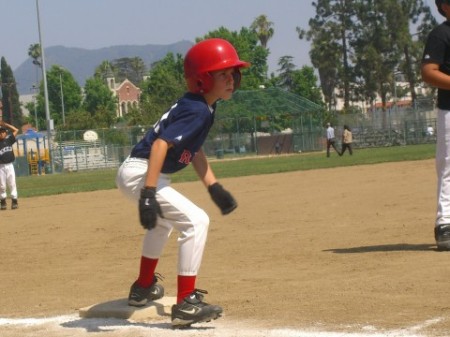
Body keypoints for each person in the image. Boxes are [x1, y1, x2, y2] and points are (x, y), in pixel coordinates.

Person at [115, 38, 249, 328]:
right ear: (202, 78)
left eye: (232, 74)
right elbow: (161, 145)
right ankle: (186, 303)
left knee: (163, 224)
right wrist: (149, 192)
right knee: (196, 221)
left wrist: (213, 186)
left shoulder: (204, 108)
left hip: (141, 171)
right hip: (142, 172)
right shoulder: (198, 109)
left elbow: (195, 149)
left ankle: (143, 287)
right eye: (222, 73)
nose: (231, 79)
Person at [422, 0, 450, 250]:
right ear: (444, 6)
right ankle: (445, 224)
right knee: (448, 165)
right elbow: (429, 71)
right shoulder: (441, 34)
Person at [0, 121, 19, 210]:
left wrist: (5, 124)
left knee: (12, 183)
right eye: (0, 132)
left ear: (6, 133)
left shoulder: (9, 140)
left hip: (10, 165)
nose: (1, 134)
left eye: (3, 132)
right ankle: (3, 201)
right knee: (2, 185)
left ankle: (14, 200)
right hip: (0, 167)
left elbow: (16, 130)